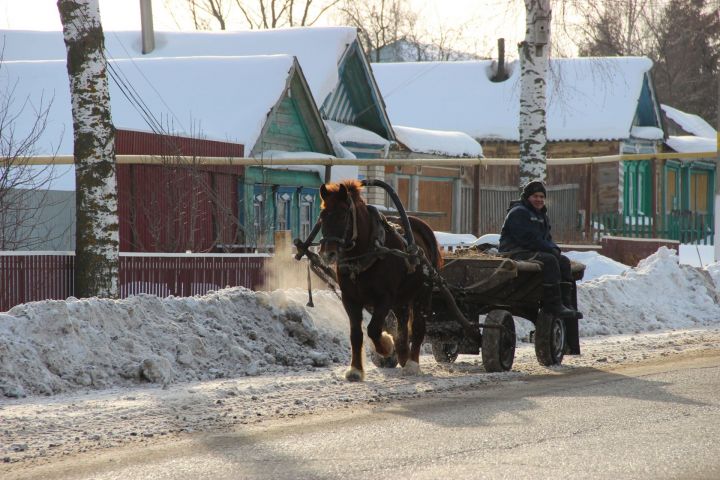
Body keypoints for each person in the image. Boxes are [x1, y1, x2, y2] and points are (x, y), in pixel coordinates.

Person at [498, 180, 580, 320]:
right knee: (550, 260)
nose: (539, 199)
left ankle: (566, 304)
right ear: (527, 197)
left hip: (531, 250)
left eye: (542, 197)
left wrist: (553, 248)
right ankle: (552, 304)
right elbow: (527, 239)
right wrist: (550, 249)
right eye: (535, 196)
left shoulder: (542, 216)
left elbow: (546, 238)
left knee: (563, 262)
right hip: (515, 251)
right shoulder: (519, 212)